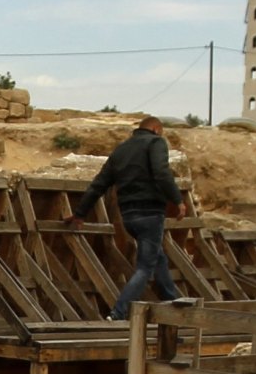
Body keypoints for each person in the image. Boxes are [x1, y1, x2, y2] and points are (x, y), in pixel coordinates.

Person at [79, 116, 185, 319]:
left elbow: (99, 184)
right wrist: (177, 200)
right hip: (150, 213)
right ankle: (118, 313)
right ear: (155, 129)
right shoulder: (156, 142)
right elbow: (162, 172)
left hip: (128, 216)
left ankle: (173, 304)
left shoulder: (121, 149)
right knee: (145, 268)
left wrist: (79, 213)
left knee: (158, 259)